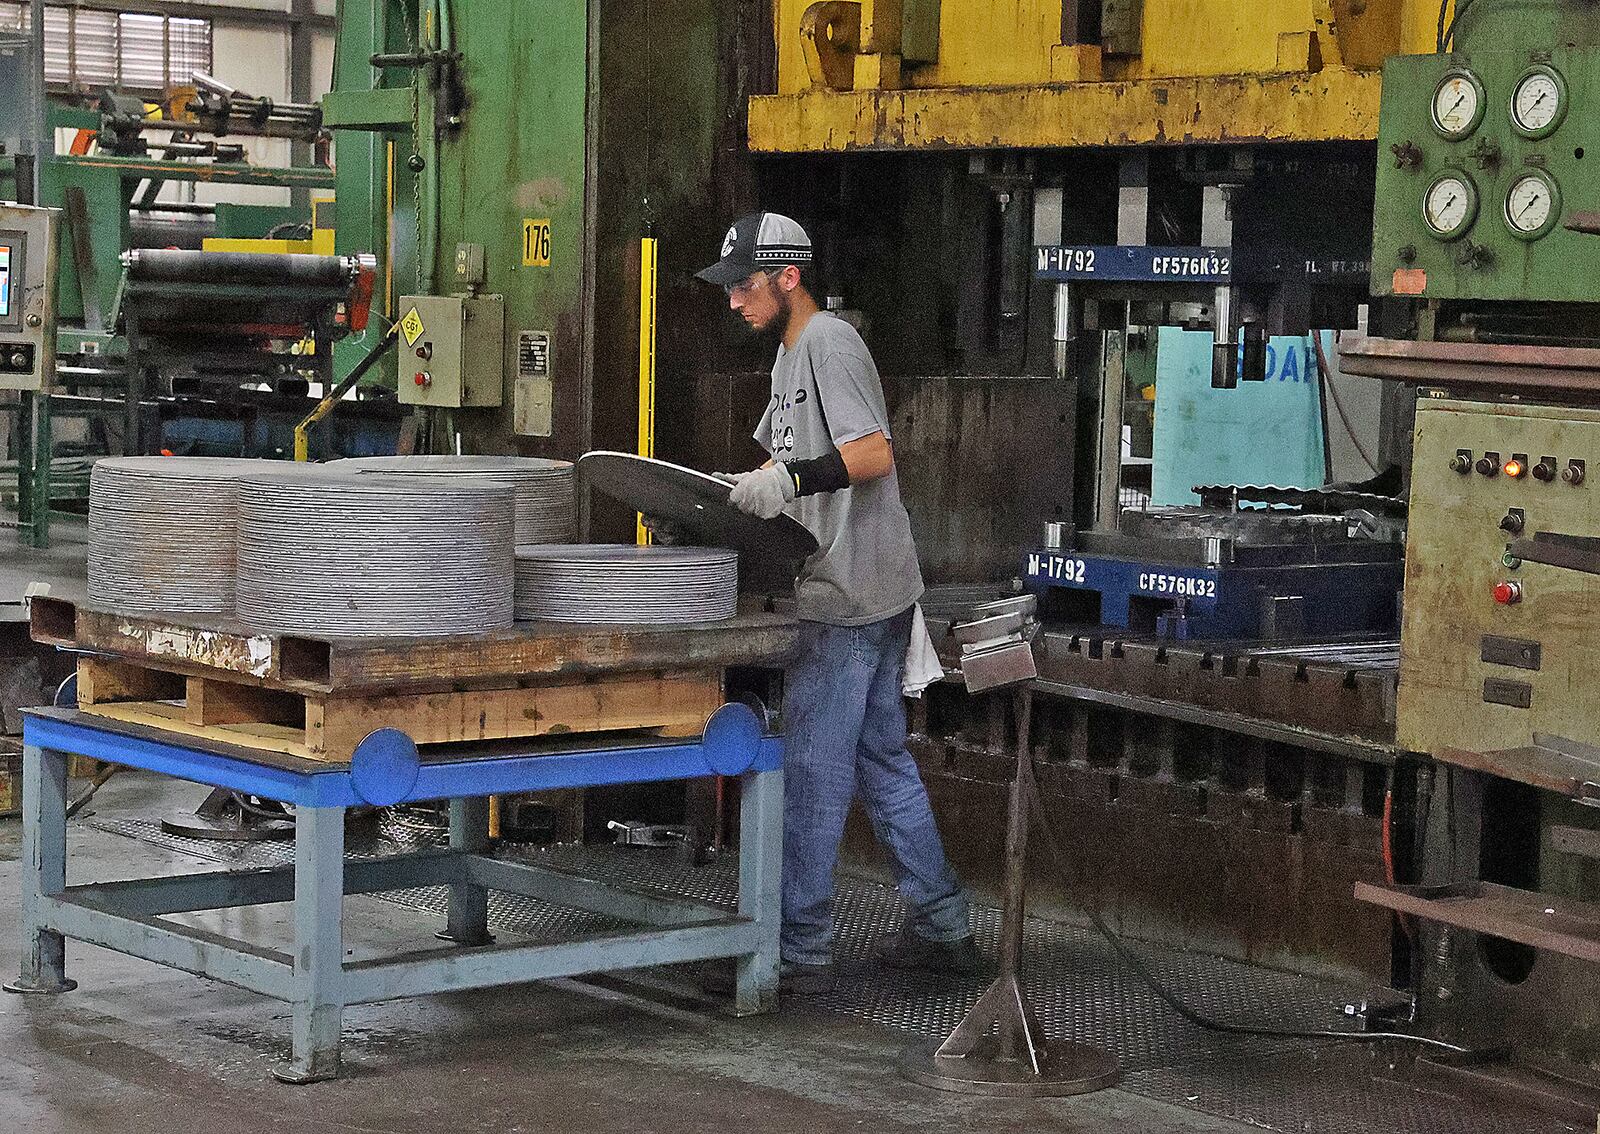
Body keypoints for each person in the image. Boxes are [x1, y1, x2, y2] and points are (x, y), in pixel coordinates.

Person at [694, 212, 979, 995]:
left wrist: (785, 482)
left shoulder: (829, 341)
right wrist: (729, 495)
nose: (733, 303)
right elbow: (783, 458)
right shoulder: (791, 356)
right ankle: (943, 927)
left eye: (744, 286)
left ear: (789, 278)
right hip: (868, 588)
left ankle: (794, 953)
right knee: (881, 763)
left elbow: (873, 452)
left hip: (849, 600)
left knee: (815, 774)